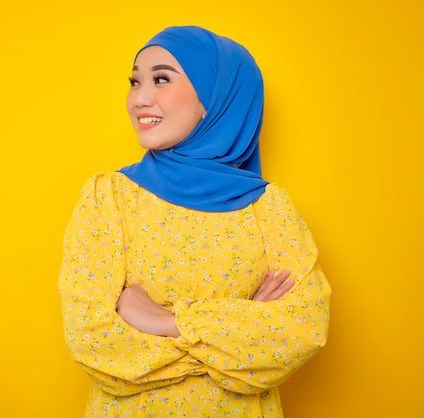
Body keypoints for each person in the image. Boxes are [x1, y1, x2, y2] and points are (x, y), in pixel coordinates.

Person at [59, 25, 330, 417]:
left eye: (161, 79)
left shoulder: (269, 208)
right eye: (135, 82)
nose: (140, 99)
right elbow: (93, 342)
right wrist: (238, 334)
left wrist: (166, 321)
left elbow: (301, 331)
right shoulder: (109, 198)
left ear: (214, 98)